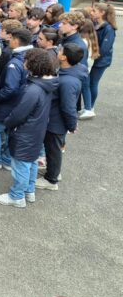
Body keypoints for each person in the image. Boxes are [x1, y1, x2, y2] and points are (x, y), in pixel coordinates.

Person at [0, 49, 57, 208]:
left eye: (26, 60)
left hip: (25, 132)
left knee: (21, 165)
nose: (23, 63)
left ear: (33, 64)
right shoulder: (46, 84)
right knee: (32, 161)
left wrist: (8, 122)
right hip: (37, 131)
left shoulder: (32, 90)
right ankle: (29, 191)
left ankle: (16, 196)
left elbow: (18, 114)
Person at [37, 43, 86, 192]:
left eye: (60, 51)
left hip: (55, 121)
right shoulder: (72, 71)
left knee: (53, 150)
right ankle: (53, 172)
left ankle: (51, 180)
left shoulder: (68, 81)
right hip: (54, 119)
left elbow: (68, 106)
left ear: (64, 57)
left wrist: (72, 125)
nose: (57, 51)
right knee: (52, 149)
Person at [0, 27, 32, 170]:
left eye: (11, 38)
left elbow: (10, 88)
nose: (9, 41)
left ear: (16, 40)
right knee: (7, 131)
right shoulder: (29, 56)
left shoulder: (15, 63)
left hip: (6, 105)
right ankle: (6, 158)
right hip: (18, 104)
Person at [87, 2, 117, 113]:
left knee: (92, 83)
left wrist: (92, 56)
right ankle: (87, 106)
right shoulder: (95, 24)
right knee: (88, 82)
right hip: (93, 58)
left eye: (94, 11)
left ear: (102, 13)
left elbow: (104, 49)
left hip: (100, 62)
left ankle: (90, 107)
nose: (91, 12)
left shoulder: (109, 29)